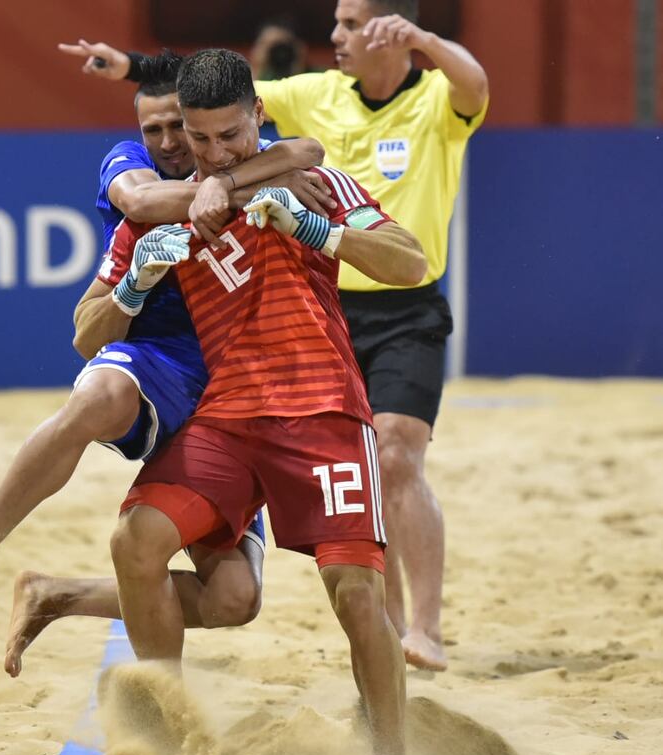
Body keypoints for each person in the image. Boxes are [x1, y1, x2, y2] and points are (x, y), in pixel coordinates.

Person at [56, 0, 489, 673]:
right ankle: (382, 628)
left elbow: (322, 150)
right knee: (199, 565)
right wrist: (135, 70)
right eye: (336, 25)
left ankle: (422, 628)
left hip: (399, 300)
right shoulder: (313, 92)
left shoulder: (434, 95)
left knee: (398, 456)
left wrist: (426, 39)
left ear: (390, 30)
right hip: (321, 304)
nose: (335, 36)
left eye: (349, 25)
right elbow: (202, 92)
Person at [0, 50, 333, 678]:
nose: (171, 143)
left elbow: (308, 151)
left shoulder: (236, 154)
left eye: (183, 128)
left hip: (238, 387)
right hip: (160, 357)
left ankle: (56, 595)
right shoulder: (131, 168)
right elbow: (140, 216)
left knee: (234, 601)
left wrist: (225, 182)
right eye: (158, 130)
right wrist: (137, 283)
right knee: (98, 396)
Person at [99, 48, 426, 755]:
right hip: (226, 419)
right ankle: (162, 740)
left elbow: (411, 263)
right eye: (198, 137)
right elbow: (85, 330)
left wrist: (318, 232)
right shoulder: (172, 207)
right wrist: (133, 286)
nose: (213, 153)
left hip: (322, 411)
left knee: (356, 598)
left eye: (231, 136)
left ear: (259, 116)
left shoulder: (313, 182)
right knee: (136, 541)